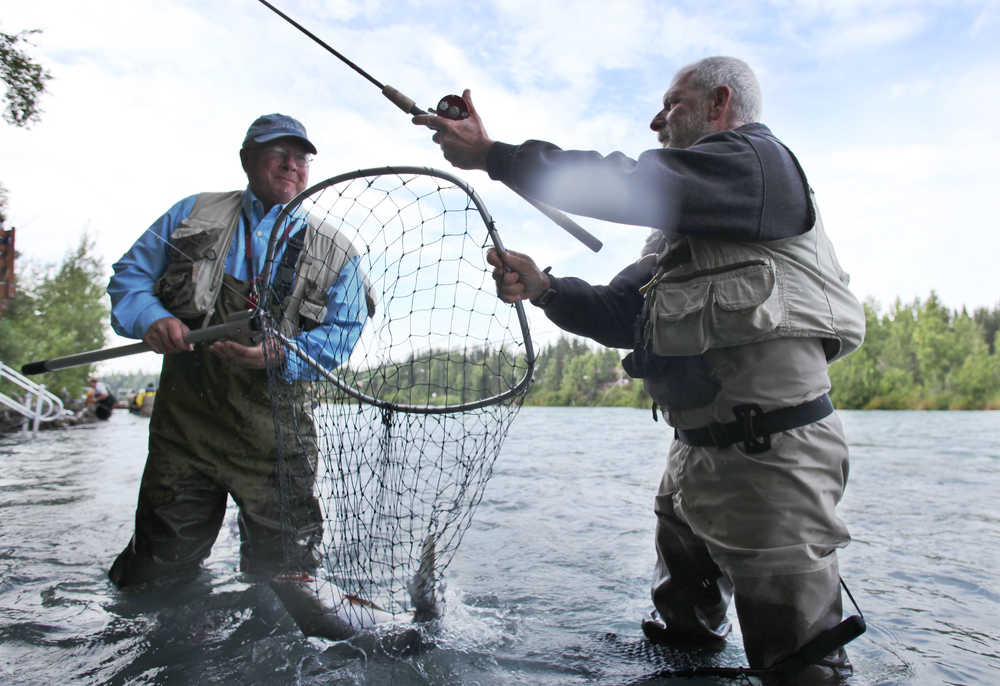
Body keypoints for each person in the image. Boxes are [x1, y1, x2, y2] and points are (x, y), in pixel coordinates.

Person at [414, 57, 865, 681]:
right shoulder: (677, 232)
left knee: (800, 669)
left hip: (772, 464)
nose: (656, 120)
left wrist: (494, 155)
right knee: (681, 648)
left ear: (719, 103)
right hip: (691, 464)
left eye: (672, 103)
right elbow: (621, 311)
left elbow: (626, 182)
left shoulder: (758, 164)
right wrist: (545, 287)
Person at [107, 113, 370, 587]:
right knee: (153, 578)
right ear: (247, 159)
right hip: (184, 433)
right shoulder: (192, 213)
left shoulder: (339, 252)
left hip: (276, 440)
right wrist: (153, 318)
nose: (292, 165)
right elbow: (129, 279)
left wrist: (282, 354)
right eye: (278, 154)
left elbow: (343, 334)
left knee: (289, 584)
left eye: (301, 158)